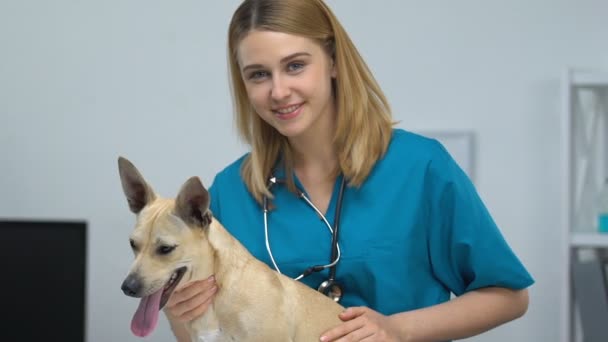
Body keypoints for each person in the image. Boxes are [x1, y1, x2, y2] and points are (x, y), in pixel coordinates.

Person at [164, 0, 534, 341]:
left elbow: (508, 296)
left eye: (295, 65)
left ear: (334, 61)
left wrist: (398, 329)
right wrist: (181, 314)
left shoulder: (420, 168)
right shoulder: (229, 193)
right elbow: (206, 332)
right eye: (258, 75)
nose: (278, 91)